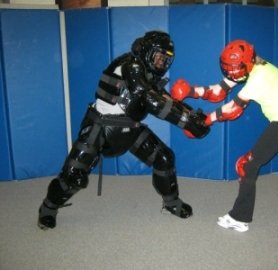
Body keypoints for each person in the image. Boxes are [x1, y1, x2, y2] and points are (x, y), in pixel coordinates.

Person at [38, 31, 210, 230]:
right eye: (160, 57)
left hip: (131, 129)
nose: (163, 63)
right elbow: (149, 98)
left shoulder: (147, 74)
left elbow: (164, 99)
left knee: (164, 158)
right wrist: (186, 122)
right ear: (147, 52)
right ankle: (47, 210)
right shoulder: (131, 65)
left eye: (166, 60)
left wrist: (192, 116)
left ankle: (171, 203)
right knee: (73, 176)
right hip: (100, 128)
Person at [170, 39, 278, 232]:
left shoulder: (259, 78)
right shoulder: (254, 65)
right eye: (229, 68)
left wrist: (204, 122)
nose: (231, 72)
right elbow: (219, 91)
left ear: (245, 63)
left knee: (248, 166)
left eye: (234, 68)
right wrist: (191, 91)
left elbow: (232, 109)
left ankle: (239, 217)